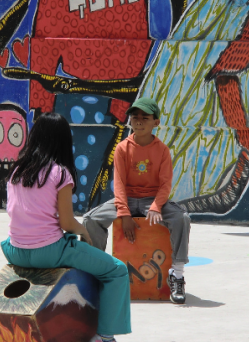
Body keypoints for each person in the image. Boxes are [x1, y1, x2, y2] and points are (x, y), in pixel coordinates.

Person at [1, 112, 131, 342]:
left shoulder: (16, 171)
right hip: (49, 252)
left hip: (16, 251)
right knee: (116, 270)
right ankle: (104, 336)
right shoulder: (59, 173)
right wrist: (84, 232)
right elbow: (67, 223)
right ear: (64, 140)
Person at [82, 98, 191, 304]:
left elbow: (165, 185)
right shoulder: (122, 148)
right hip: (128, 199)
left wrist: (156, 206)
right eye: (135, 117)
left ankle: (177, 275)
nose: (139, 121)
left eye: (145, 117)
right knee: (90, 220)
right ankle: (96, 273)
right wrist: (124, 213)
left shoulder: (162, 150)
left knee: (182, 218)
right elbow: (119, 184)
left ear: (156, 122)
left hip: (153, 199)